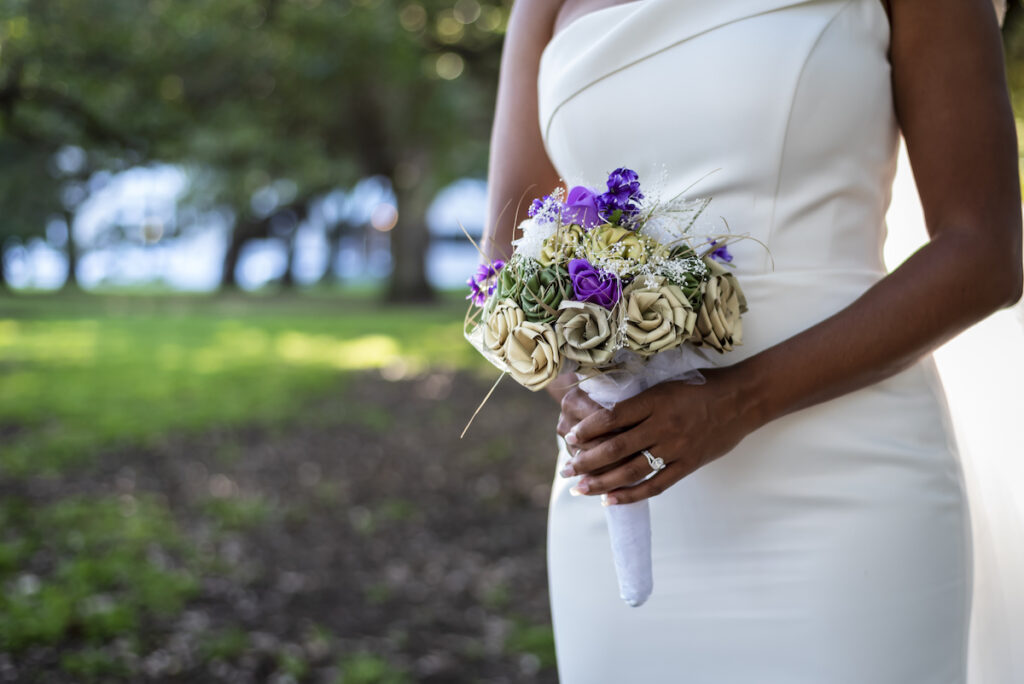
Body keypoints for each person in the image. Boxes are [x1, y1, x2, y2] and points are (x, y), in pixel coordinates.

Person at [481, 0, 1023, 681]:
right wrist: (582, 392)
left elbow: (983, 251)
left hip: (851, 485)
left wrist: (737, 402)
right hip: (626, 496)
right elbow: (505, 251)